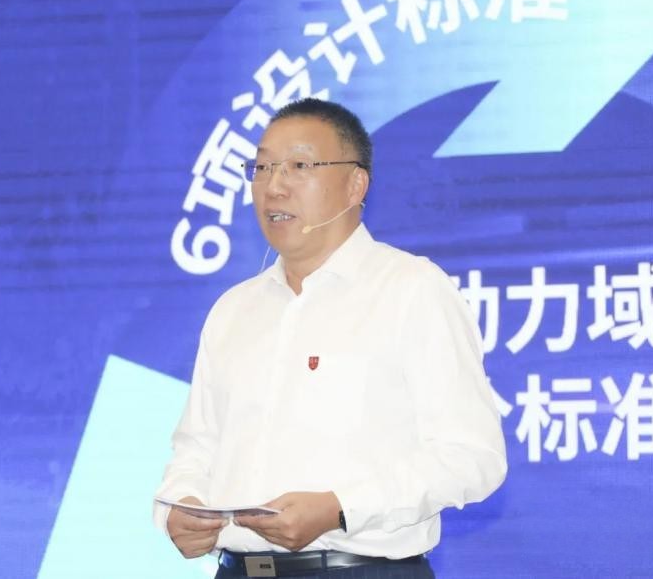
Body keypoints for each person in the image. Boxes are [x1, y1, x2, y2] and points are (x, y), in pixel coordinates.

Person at [153, 98, 507, 578]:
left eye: (299, 167)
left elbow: (472, 457)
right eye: (262, 168)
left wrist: (341, 507)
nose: (274, 186)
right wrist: (181, 506)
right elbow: (196, 447)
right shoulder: (233, 310)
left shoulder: (411, 289)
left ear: (355, 184)